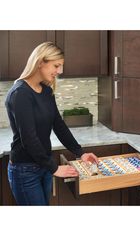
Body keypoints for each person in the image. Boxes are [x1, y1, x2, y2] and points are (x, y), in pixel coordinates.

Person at [5, 42, 98, 206]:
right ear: (41, 62)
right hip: (25, 170)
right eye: (56, 65)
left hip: (44, 165)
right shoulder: (20, 93)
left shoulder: (46, 91)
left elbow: (59, 125)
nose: (60, 71)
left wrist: (80, 152)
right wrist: (54, 168)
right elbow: (29, 138)